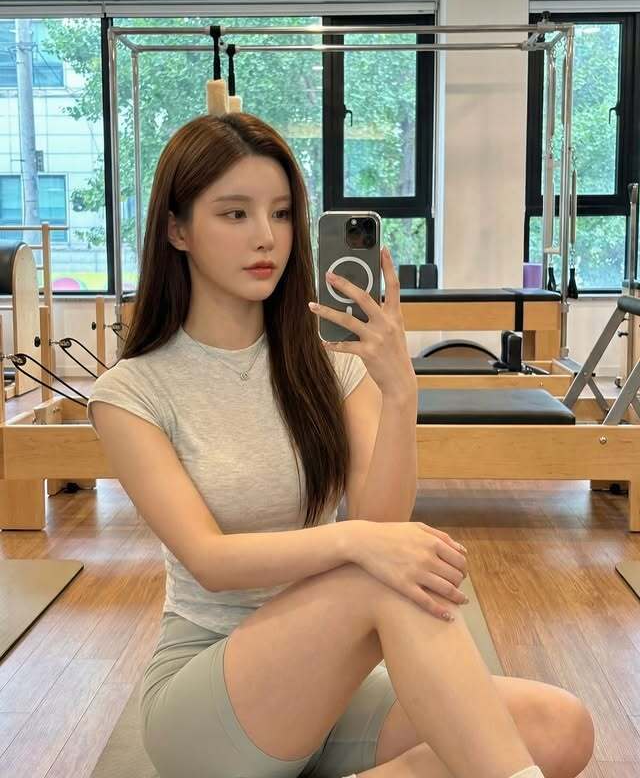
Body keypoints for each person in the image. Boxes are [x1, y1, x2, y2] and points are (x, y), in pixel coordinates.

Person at [88, 113, 594, 778]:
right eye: (235, 214)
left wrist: (401, 393)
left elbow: (381, 518)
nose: (266, 236)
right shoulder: (131, 391)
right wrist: (356, 542)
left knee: (560, 727)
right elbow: (210, 560)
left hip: (331, 687)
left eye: (281, 213)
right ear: (177, 230)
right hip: (211, 703)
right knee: (376, 569)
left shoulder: (328, 364)